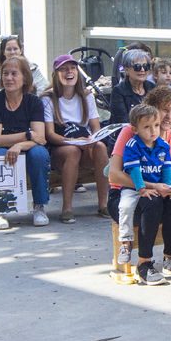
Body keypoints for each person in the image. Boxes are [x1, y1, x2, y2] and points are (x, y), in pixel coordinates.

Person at [106, 85, 171, 281]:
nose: (169, 116)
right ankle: (144, 264)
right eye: (165, 110)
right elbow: (114, 176)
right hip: (123, 197)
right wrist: (153, 186)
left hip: (154, 194)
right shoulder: (132, 132)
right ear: (152, 108)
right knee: (153, 201)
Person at [0, 56, 51, 228]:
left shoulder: (33, 101)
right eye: (5, 74)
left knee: (39, 154)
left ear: (25, 78)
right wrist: (26, 135)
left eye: (14, 74)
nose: (8, 78)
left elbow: (41, 138)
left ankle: (39, 206)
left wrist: (19, 145)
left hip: (25, 148)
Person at [116, 105, 171, 284]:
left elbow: (167, 168)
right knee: (127, 206)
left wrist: (168, 187)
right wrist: (142, 189)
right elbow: (134, 171)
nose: (153, 131)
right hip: (134, 188)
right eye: (147, 127)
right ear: (135, 129)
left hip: (156, 186)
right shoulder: (132, 144)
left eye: (156, 126)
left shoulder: (163, 145)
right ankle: (129, 246)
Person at [42, 54, 109, 223]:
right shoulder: (48, 98)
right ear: (56, 73)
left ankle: (103, 204)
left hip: (84, 144)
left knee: (100, 146)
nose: (69, 72)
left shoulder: (86, 96)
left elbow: (95, 127)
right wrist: (74, 142)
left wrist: (92, 139)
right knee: (72, 151)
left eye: (72, 68)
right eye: (63, 69)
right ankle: (67, 208)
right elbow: (50, 134)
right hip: (61, 147)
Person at [0, 36, 50, 107]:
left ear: (21, 50)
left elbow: (44, 90)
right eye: (9, 49)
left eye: (15, 49)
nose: (12, 52)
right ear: (3, 52)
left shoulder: (32, 68)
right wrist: (4, 97)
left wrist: (20, 98)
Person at [108, 48, 156, 128]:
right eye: (137, 67)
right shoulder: (118, 91)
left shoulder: (152, 88)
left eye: (146, 66)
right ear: (126, 70)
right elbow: (123, 122)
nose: (142, 70)